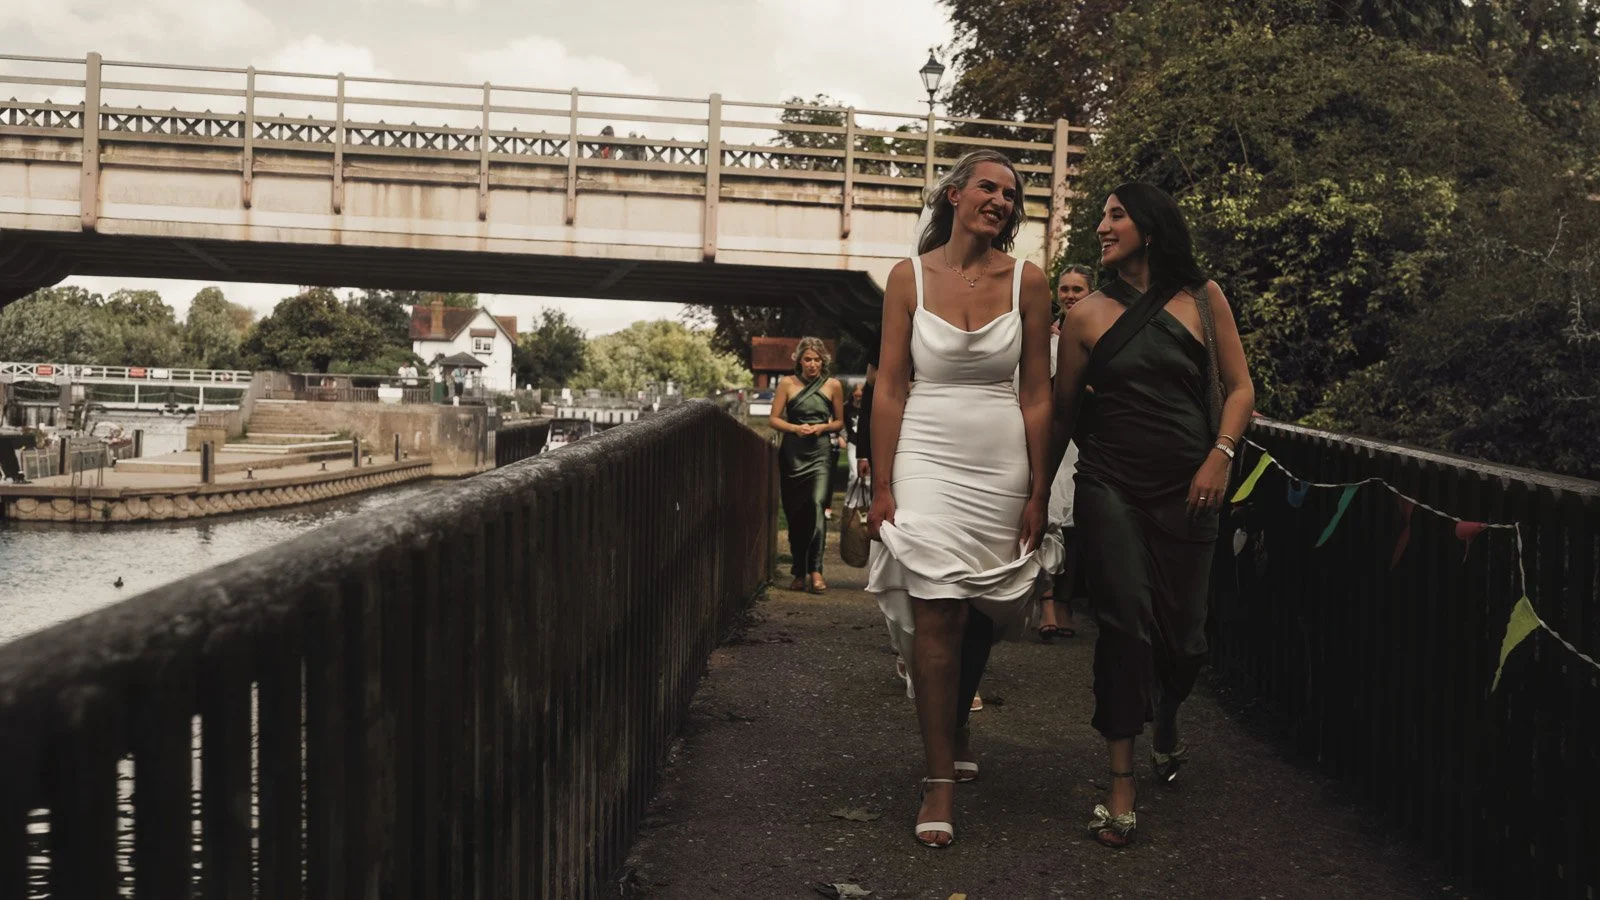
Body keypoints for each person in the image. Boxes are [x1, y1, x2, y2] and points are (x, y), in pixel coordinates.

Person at [1048, 183, 1255, 848]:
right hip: (1110, 485)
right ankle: (1120, 785)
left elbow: (1242, 388)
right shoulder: (1085, 317)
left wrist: (1220, 456)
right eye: (1102, 217)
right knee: (1125, 623)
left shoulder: (1204, 298)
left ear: (1152, 226)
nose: (1103, 226)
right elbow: (1062, 415)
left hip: (1190, 487)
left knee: (1186, 642)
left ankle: (1168, 715)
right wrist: (1030, 494)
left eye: (1116, 215)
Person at [866, 149, 1058, 849]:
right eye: (989, 187)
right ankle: (938, 780)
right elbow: (890, 385)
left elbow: (1038, 392)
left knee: (986, 606)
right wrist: (883, 484)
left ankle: (956, 723)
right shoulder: (906, 277)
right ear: (954, 194)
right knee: (937, 603)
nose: (1001, 201)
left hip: (1000, 455)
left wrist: (1040, 487)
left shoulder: (1029, 283)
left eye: (1011, 194)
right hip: (926, 449)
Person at [1038, 264, 1097, 642]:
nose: (1070, 295)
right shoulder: (1045, 336)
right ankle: (1045, 601)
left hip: (1090, 435)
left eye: (1078, 289)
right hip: (1052, 433)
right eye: (1064, 289)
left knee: (1076, 525)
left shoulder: (1103, 331)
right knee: (1047, 517)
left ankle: (1066, 602)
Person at [769, 337, 845, 593]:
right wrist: (794, 428)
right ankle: (798, 571)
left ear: (823, 361)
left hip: (821, 452)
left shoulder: (833, 385)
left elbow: (839, 422)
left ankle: (816, 570)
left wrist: (823, 427)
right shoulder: (787, 384)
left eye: (816, 359)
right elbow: (773, 419)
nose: (812, 364)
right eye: (807, 359)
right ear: (799, 361)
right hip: (793, 452)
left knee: (816, 506)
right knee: (796, 513)